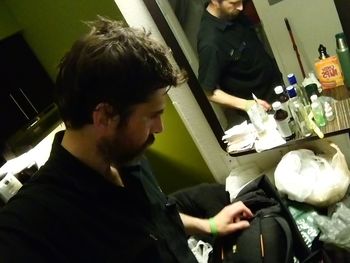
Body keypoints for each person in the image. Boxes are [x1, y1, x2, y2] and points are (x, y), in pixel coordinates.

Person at [0, 17, 253, 262]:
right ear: (105, 116)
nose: (160, 128)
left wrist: (209, 226)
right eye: (152, 116)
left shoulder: (127, 156)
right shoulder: (32, 222)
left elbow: (157, 216)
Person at [197, 0, 283, 125]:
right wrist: (247, 105)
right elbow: (207, 91)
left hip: (277, 88)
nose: (241, 7)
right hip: (260, 108)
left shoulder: (232, 12)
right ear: (215, 1)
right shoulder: (210, 42)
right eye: (234, 3)